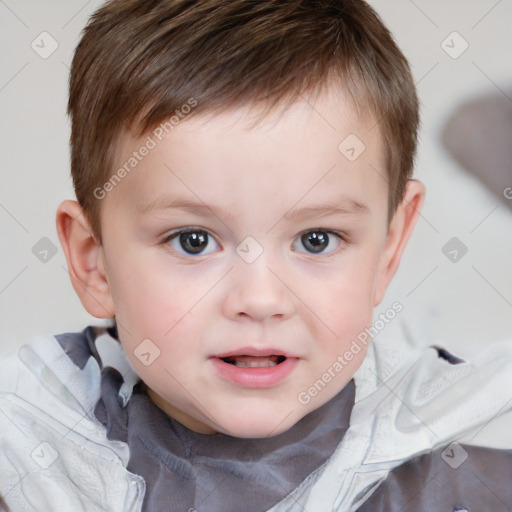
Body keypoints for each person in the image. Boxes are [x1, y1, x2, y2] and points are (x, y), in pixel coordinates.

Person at [1, 0, 511, 510]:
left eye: (317, 239)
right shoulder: (28, 456)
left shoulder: (464, 461)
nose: (261, 299)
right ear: (95, 261)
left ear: (387, 249)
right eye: (193, 241)